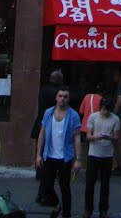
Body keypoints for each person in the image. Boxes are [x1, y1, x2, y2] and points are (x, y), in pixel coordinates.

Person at [36, 85, 82, 218]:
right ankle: (57, 204)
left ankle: (66, 214)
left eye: (65, 97)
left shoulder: (73, 115)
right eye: (60, 96)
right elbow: (42, 133)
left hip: (65, 157)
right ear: (56, 98)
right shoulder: (48, 113)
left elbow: (77, 137)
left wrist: (78, 159)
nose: (62, 99)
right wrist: (38, 154)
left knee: (65, 187)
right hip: (49, 155)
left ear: (68, 99)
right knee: (46, 185)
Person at [33, 70, 65, 205]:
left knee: (42, 156)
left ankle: (42, 189)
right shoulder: (59, 94)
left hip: (41, 125)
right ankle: (44, 194)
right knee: (49, 161)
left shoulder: (43, 90)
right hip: (52, 128)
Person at [84, 95, 119, 218]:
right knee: (90, 182)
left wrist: (108, 137)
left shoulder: (115, 119)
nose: (105, 112)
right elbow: (88, 135)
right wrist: (96, 137)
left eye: (107, 110)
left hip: (107, 154)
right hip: (93, 153)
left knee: (105, 184)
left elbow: (116, 137)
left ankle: (103, 209)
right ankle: (88, 209)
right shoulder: (93, 117)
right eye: (103, 109)